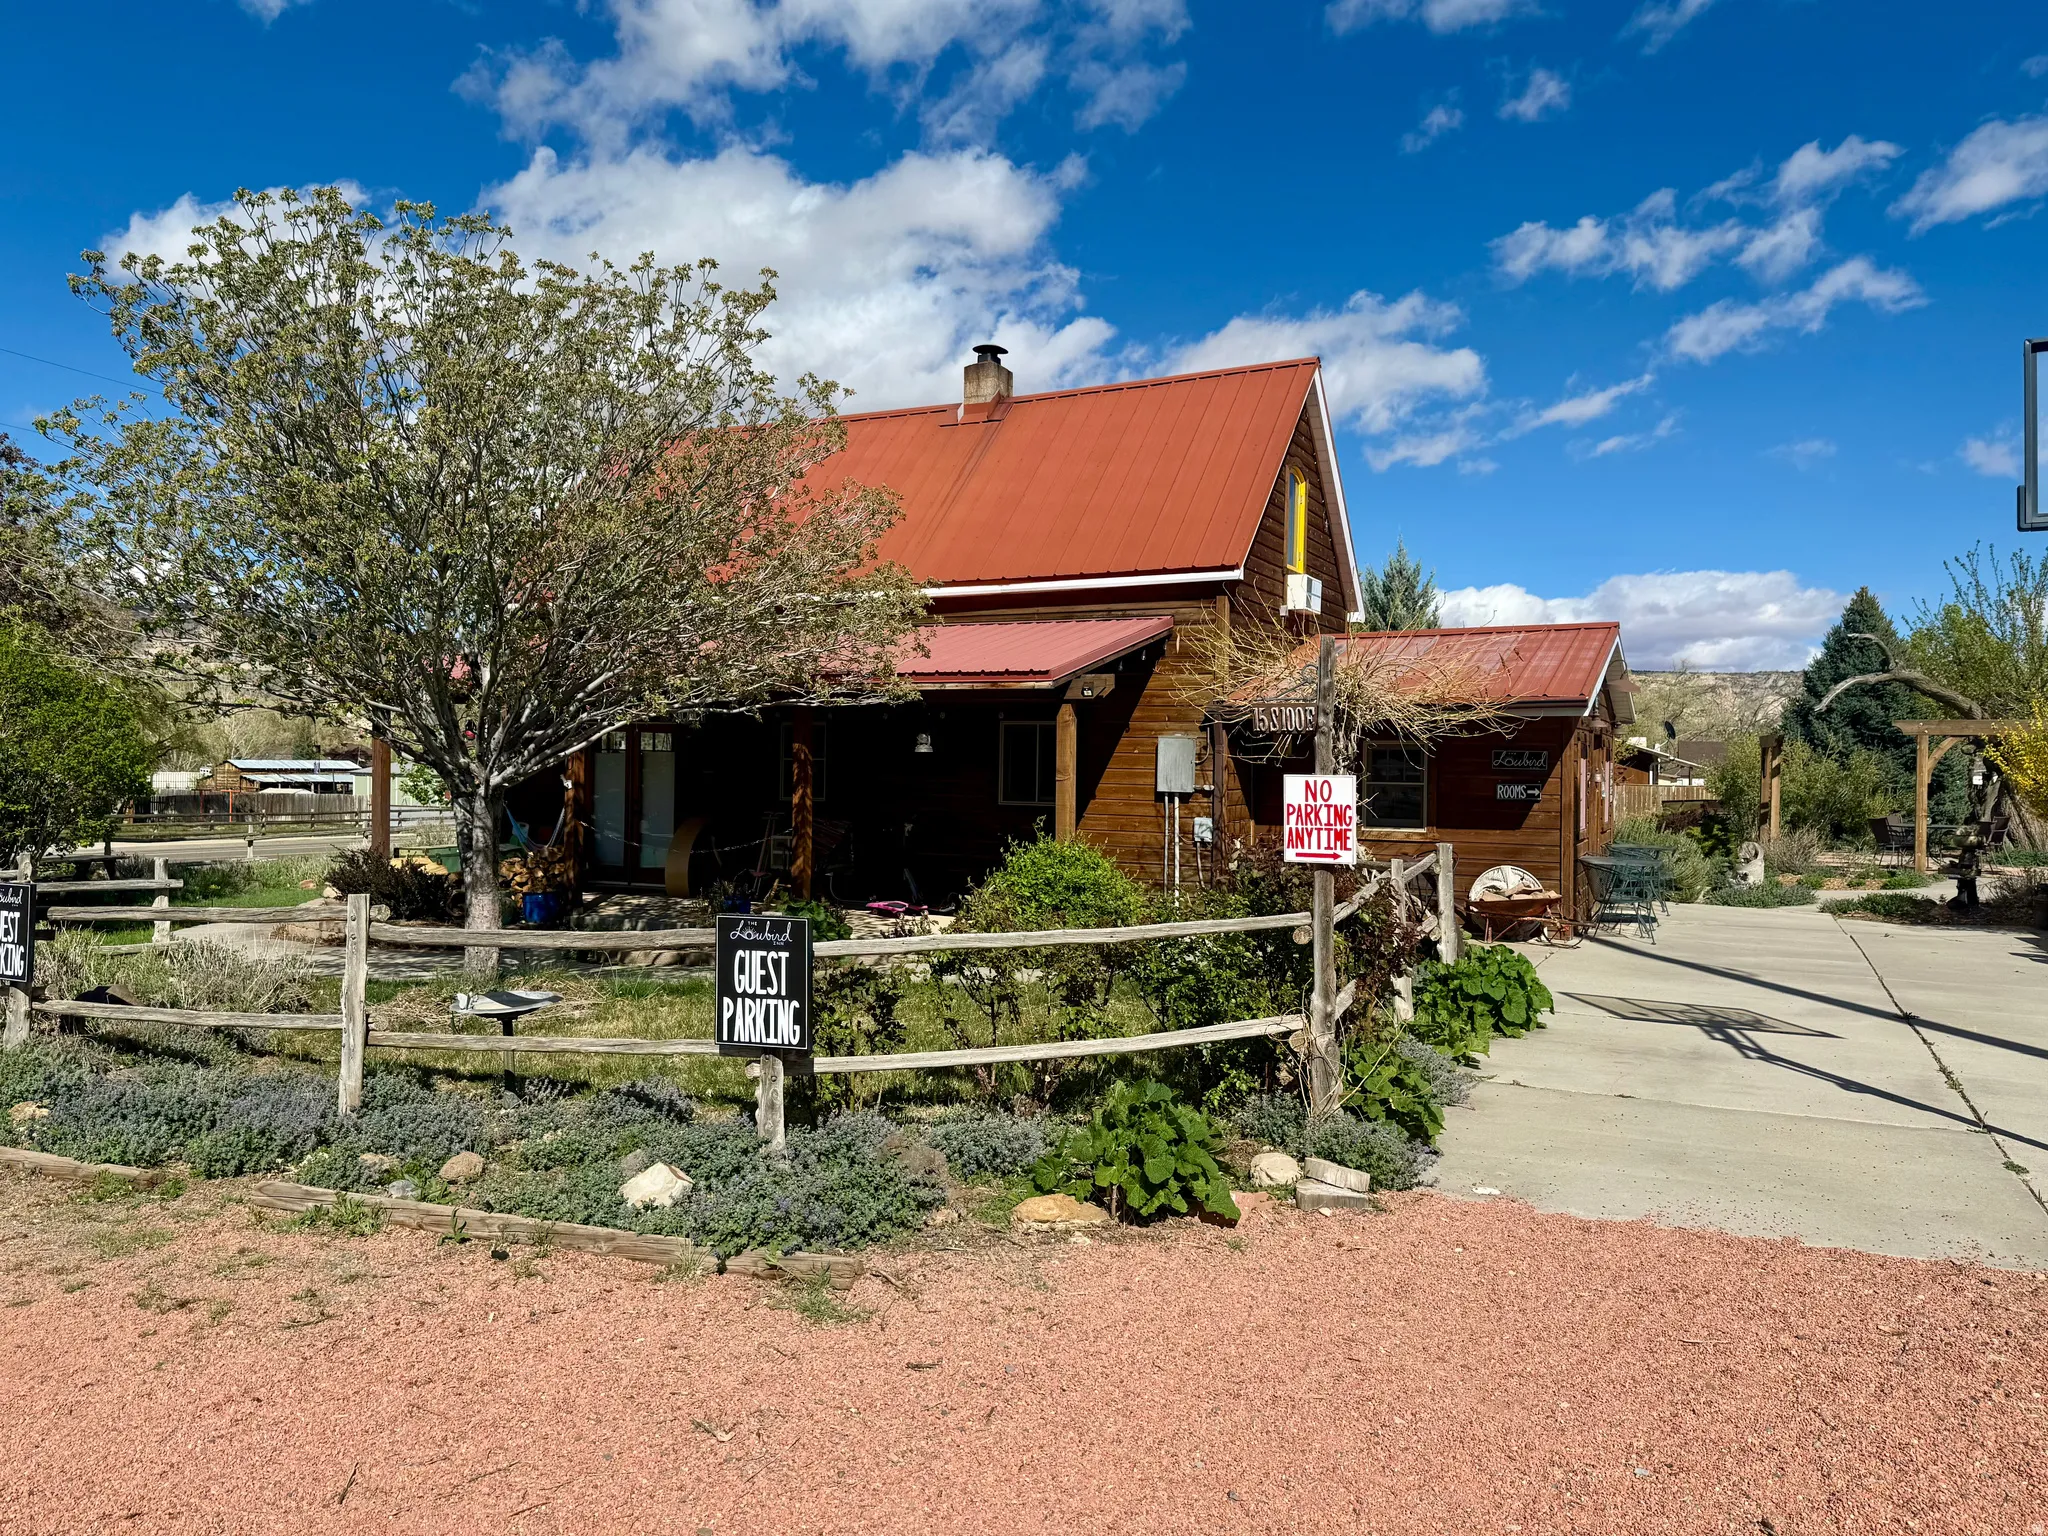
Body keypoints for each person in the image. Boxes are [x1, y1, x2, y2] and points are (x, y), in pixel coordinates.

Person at [1949, 831, 1981, 913]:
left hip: (1968, 869)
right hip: (1968, 867)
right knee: (1967, 879)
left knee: (1967, 879)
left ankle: (1967, 902)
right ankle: (1970, 902)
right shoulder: (1968, 854)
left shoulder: (1968, 853)